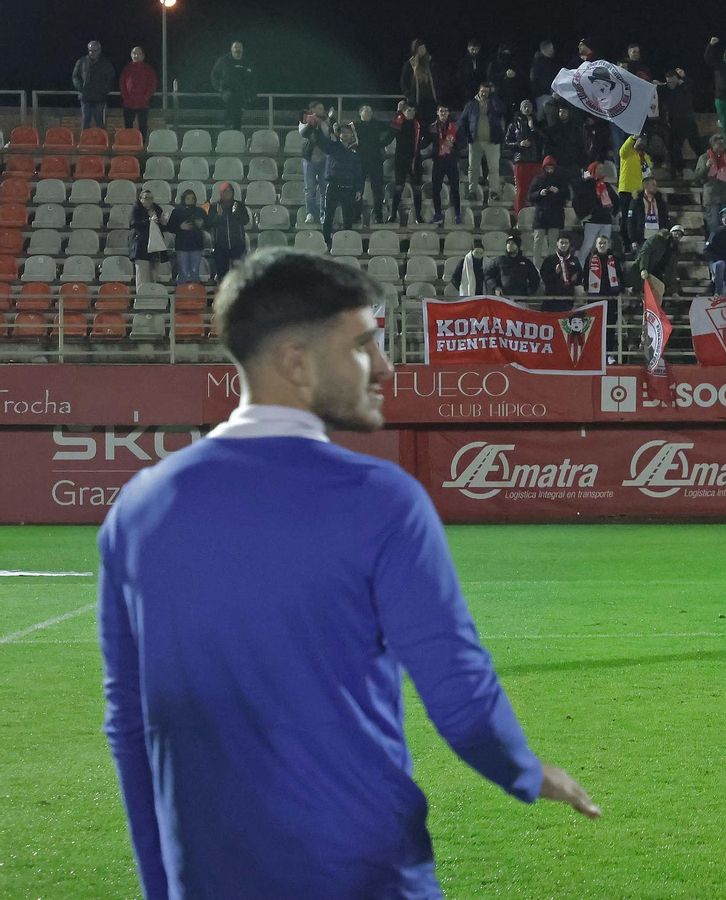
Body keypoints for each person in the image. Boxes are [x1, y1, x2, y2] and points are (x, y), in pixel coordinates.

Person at [99, 249, 599, 899]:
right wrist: (526, 772)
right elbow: (460, 693)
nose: (386, 366)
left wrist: (165, 883)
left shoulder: (138, 507)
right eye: (364, 344)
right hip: (364, 869)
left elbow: (133, 722)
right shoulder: (379, 499)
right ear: (295, 362)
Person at [312, 120, 364, 250]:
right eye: (343, 132)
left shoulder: (355, 151)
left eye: (348, 132)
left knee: (348, 218)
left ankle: (345, 243)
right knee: (328, 216)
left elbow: (358, 172)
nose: (346, 135)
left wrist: (359, 189)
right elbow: (320, 141)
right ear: (339, 134)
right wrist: (316, 127)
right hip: (333, 186)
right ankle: (326, 242)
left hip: (349, 189)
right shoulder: (333, 147)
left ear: (352, 135)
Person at [458, 83, 506, 202]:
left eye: (487, 92)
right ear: (478, 91)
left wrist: (494, 96)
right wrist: (467, 136)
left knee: (494, 168)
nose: (484, 94)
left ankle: (494, 191)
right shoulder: (471, 105)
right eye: (482, 91)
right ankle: (472, 191)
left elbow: (501, 110)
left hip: (492, 142)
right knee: (473, 168)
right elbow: (462, 121)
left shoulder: (494, 103)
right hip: (475, 142)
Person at [658, 68, 705, 176]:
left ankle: (706, 165)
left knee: (696, 144)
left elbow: (693, 86)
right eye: (669, 81)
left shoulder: (684, 87)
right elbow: (656, 89)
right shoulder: (665, 89)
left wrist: (684, 77)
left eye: (673, 81)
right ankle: (678, 170)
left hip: (688, 122)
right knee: (675, 147)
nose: (671, 84)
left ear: (676, 79)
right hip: (675, 123)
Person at [424, 104, 464, 226]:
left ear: (448, 113)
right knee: (436, 190)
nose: (444, 113)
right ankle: (438, 215)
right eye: (441, 111)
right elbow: (424, 142)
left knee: (455, 189)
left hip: (451, 161)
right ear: (437, 113)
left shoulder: (455, 127)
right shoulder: (432, 128)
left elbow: (462, 143)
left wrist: (454, 147)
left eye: (446, 111)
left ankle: (457, 214)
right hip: (438, 161)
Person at [572, 162, 619, 261]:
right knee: (587, 246)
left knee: (604, 248)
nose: (602, 171)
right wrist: (582, 216)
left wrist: (613, 214)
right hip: (592, 221)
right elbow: (576, 202)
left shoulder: (606, 185)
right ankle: (580, 270)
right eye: (599, 169)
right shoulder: (585, 185)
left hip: (606, 221)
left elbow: (616, 200)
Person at [205, 183, 250, 283]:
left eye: (230, 191)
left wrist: (236, 214)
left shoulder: (239, 205)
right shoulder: (214, 206)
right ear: (221, 193)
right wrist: (218, 216)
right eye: (225, 191)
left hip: (238, 244)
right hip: (220, 245)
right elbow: (209, 223)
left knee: (238, 274)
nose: (228, 193)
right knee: (222, 275)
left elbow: (245, 220)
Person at [696, 135, 726, 238]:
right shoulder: (704, 157)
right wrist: (706, 167)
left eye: (723, 144)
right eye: (719, 144)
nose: (722, 146)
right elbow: (697, 177)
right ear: (713, 145)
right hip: (712, 198)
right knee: (713, 228)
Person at [297, 103, 333, 226]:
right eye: (319, 108)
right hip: (310, 160)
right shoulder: (305, 120)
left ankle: (323, 214)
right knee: (310, 188)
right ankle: (310, 213)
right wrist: (312, 123)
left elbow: (328, 135)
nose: (322, 110)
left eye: (323, 108)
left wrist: (326, 122)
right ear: (312, 109)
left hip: (324, 160)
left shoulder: (326, 121)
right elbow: (303, 133)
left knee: (324, 189)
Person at [390, 101, 426, 225]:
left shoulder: (418, 124)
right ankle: (393, 214)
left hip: (415, 159)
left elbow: (426, 137)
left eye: (412, 110)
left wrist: (422, 145)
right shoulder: (399, 122)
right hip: (400, 159)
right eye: (408, 110)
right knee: (399, 188)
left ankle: (418, 216)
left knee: (417, 189)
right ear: (403, 112)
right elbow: (390, 134)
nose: (410, 112)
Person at [165, 190, 208, 285]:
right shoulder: (177, 211)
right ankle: (181, 295)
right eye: (188, 198)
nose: (191, 200)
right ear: (184, 199)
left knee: (195, 272)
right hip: (182, 246)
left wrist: (202, 224)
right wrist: (180, 227)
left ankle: (195, 295)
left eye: (193, 198)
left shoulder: (200, 211)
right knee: (183, 272)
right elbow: (169, 227)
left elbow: (209, 225)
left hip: (196, 246)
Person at [210, 41, 254, 131]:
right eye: (235, 48)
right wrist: (219, 87)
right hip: (227, 91)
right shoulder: (224, 61)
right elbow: (214, 75)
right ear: (231, 49)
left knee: (238, 110)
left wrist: (251, 93)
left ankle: (234, 128)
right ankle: (229, 123)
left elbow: (253, 79)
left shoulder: (247, 62)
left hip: (242, 94)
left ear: (242, 50)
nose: (237, 50)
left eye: (239, 48)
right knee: (231, 100)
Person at [71, 41, 116, 129]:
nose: (92, 53)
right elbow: (75, 76)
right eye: (90, 50)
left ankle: (102, 142)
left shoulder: (106, 63)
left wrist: (104, 90)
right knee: (85, 122)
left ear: (99, 51)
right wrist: (81, 87)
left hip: (99, 98)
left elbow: (111, 78)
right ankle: (84, 141)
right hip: (85, 97)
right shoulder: (82, 61)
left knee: (99, 122)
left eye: (95, 50)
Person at [128, 188, 168, 288]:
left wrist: (164, 223)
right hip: (141, 248)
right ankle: (142, 300)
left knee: (153, 278)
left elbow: (161, 228)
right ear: (140, 199)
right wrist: (149, 220)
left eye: (151, 198)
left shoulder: (157, 209)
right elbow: (134, 224)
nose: (149, 200)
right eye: (146, 198)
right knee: (142, 278)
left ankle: (153, 300)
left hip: (155, 249)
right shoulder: (136, 209)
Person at [636, 224, 684, 301]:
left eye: (680, 234)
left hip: (658, 274)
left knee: (659, 291)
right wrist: (643, 268)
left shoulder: (674, 251)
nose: (677, 235)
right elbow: (645, 252)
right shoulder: (657, 239)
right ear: (671, 232)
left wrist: (673, 291)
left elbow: (672, 271)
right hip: (646, 270)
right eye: (676, 232)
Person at [119, 47, 158, 138]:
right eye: (134, 53)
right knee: (128, 127)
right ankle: (129, 144)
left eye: (138, 53)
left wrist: (145, 97)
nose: (136, 55)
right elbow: (122, 84)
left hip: (143, 104)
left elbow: (152, 85)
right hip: (128, 104)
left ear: (143, 56)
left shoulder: (148, 69)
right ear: (131, 55)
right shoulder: (127, 69)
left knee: (143, 127)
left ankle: (142, 146)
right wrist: (126, 97)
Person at [486, 233, 539, 298]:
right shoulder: (499, 260)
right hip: (503, 298)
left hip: (521, 299)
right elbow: (488, 275)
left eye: (513, 243)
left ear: (518, 246)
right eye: (508, 243)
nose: (509, 245)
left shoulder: (526, 262)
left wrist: (530, 291)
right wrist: (495, 286)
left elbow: (535, 278)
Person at [539, 235, 582, 311]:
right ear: (557, 243)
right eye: (561, 243)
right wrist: (555, 273)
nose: (564, 245)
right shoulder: (549, 259)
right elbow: (544, 278)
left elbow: (580, 276)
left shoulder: (574, 260)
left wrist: (576, 278)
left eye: (566, 243)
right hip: (551, 298)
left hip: (567, 298)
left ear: (569, 244)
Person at [401, 40, 442, 115]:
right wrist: (409, 96)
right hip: (417, 101)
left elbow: (439, 79)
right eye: (420, 48)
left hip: (432, 100)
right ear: (415, 50)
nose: (423, 50)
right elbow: (404, 82)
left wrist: (439, 94)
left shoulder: (431, 62)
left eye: (424, 48)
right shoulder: (410, 64)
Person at [455, 39, 492, 107]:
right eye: (472, 49)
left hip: (480, 91)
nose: (474, 52)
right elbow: (460, 78)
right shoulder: (463, 62)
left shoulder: (482, 61)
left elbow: (485, 75)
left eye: (476, 49)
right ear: (468, 48)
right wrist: (464, 90)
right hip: (467, 92)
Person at [529, 40, 559, 112]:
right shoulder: (539, 63)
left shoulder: (549, 61)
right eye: (551, 48)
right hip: (543, 96)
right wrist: (548, 91)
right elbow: (535, 80)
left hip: (550, 94)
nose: (553, 50)